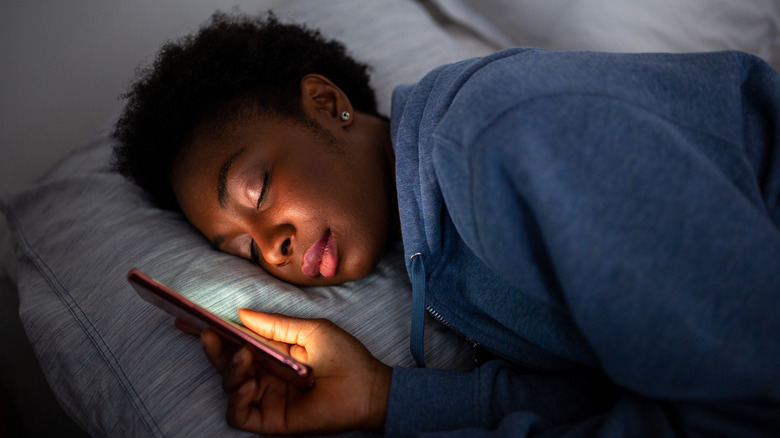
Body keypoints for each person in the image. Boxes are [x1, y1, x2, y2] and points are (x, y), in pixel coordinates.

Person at [112, 11, 780, 437]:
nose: (272, 247)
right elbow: (622, 386)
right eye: (243, 250)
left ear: (326, 102)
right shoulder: (441, 246)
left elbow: (750, 392)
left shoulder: (501, 139)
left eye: (256, 189)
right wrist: (383, 397)